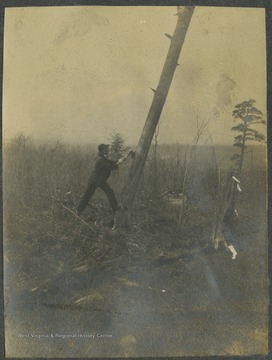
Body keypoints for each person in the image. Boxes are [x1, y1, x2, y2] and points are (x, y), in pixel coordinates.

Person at [76, 144, 134, 216]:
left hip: (94, 180)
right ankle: (115, 207)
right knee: (109, 191)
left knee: (87, 195)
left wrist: (126, 156)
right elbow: (110, 166)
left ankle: (79, 210)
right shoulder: (101, 160)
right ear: (103, 151)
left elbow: (115, 162)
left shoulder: (104, 159)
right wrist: (117, 164)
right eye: (106, 149)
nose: (108, 150)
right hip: (98, 180)